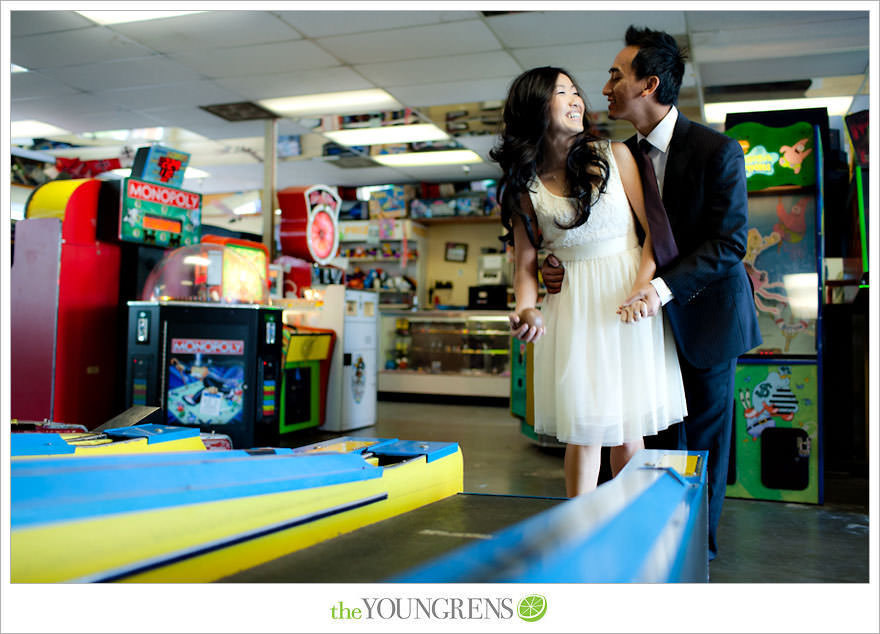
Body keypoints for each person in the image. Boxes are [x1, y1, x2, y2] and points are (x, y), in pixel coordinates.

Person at [541, 26, 762, 559]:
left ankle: (694, 553)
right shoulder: (609, 157)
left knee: (703, 447)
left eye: (617, 75)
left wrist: (660, 288)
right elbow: (598, 234)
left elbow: (728, 243)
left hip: (705, 317)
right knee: (651, 441)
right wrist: (556, 266)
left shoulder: (717, 151)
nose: (606, 85)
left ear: (649, 85)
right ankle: (647, 541)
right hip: (639, 325)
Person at [492, 66, 687, 498]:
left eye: (575, 90)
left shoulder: (616, 154)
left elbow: (653, 229)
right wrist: (527, 307)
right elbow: (525, 261)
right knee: (585, 427)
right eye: (562, 92)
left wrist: (642, 286)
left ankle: (628, 522)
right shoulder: (524, 186)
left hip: (626, 298)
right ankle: (578, 527)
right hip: (574, 305)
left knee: (627, 426)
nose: (577, 98)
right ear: (535, 108)